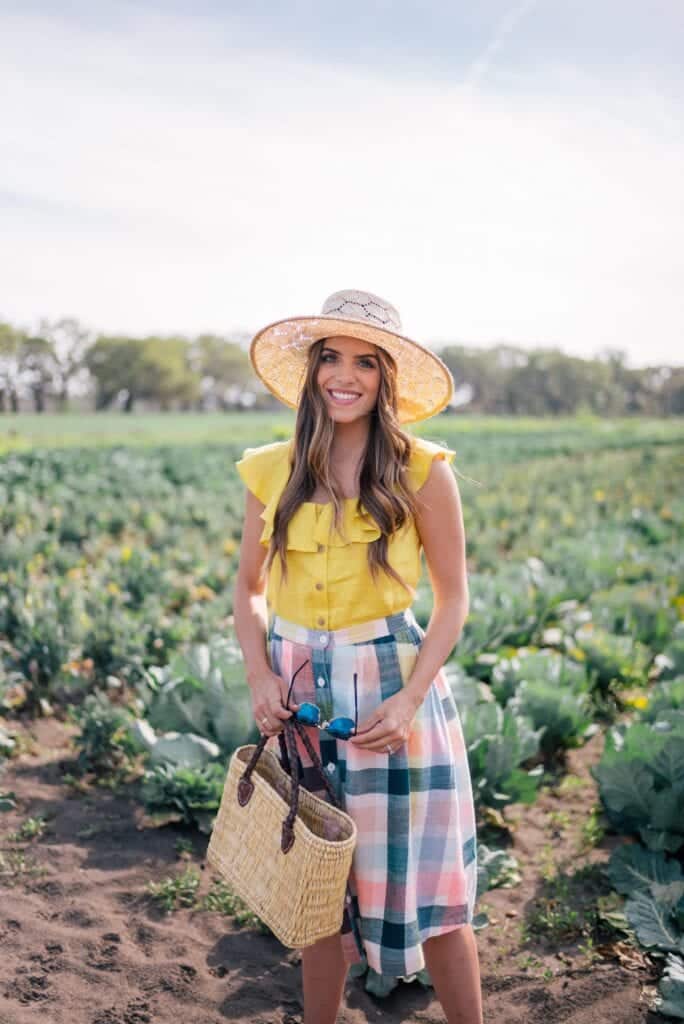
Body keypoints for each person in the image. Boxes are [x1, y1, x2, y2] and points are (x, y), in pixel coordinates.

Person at [233, 289, 483, 1024]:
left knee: (431, 890)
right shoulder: (269, 471)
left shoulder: (422, 470)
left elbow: (454, 598)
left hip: (389, 687)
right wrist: (258, 672)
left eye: (365, 363)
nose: (345, 376)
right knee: (316, 887)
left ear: (386, 378)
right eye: (331, 358)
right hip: (299, 687)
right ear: (312, 372)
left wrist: (408, 699)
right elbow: (248, 590)